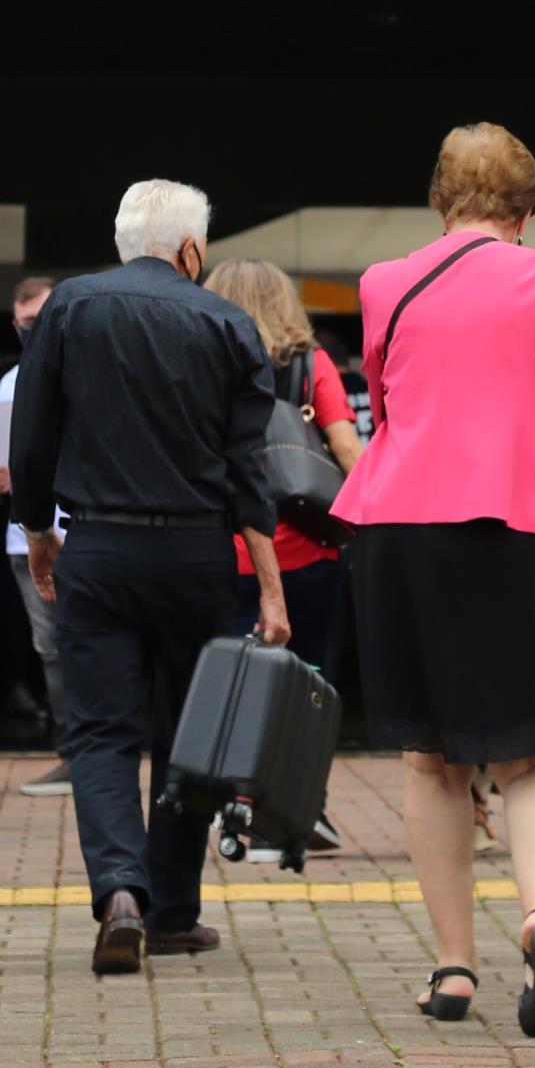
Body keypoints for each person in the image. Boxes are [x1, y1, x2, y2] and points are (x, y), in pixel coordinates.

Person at [334, 124, 535, 1038]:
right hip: (530, 528)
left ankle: (452, 969)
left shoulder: (384, 282)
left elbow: (392, 404)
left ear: (440, 200)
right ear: (529, 209)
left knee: (430, 759)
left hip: (404, 528)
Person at [9, 180, 288, 976]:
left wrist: (38, 531)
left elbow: (32, 434)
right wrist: (269, 586)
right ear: (192, 248)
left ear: (126, 236)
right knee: (187, 734)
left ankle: (118, 891)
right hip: (197, 553)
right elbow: (248, 469)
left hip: (97, 544)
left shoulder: (69, 307)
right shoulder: (227, 321)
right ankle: (171, 911)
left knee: (101, 732)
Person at [202, 256, 361, 860]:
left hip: (220, 551)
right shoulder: (311, 365)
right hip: (306, 554)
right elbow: (346, 447)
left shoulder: (201, 358)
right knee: (308, 683)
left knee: (231, 684)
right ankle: (296, 807)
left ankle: (232, 806)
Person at [0, 276, 72, 797]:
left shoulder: (88, 371)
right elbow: (3, 456)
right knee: (51, 650)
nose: (30, 332)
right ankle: (73, 754)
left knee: (88, 646)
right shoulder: (12, 381)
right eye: (23, 324)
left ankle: (97, 754)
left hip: (81, 534)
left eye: (39, 321)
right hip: (27, 539)